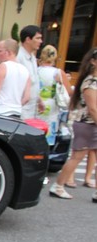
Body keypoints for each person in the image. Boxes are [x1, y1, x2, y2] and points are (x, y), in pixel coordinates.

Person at [49, 47, 97, 201]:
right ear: (93, 61)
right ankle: (58, 186)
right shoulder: (91, 82)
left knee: (79, 156)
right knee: (77, 156)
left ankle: (59, 186)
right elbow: (93, 108)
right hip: (87, 124)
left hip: (89, 124)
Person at [37, 45, 74, 147]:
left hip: (36, 103)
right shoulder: (58, 72)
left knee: (36, 129)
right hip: (52, 105)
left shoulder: (35, 70)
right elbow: (69, 91)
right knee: (49, 131)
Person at [0, 39, 30, 118]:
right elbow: (27, 97)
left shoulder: (3, 67)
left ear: (8, 52)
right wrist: (16, 106)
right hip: (17, 113)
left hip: (0, 111)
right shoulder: (26, 70)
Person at [17, 25, 44, 119]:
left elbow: (34, 82)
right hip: (22, 108)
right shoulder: (19, 57)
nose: (41, 41)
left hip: (32, 108)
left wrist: (39, 99)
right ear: (28, 39)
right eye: (38, 38)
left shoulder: (32, 57)